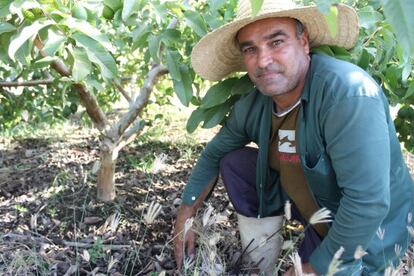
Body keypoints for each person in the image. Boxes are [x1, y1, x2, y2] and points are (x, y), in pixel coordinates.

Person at [174, 0, 414, 275]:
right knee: (235, 161)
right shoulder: (255, 106)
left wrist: (314, 268)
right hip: (317, 213)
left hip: (367, 239)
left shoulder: (347, 95)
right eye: (251, 49)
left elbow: (367, 203)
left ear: (304, 43)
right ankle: (260, 261)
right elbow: (214, 154)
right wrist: (186, 214)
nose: (263, 61)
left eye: (276, 42)